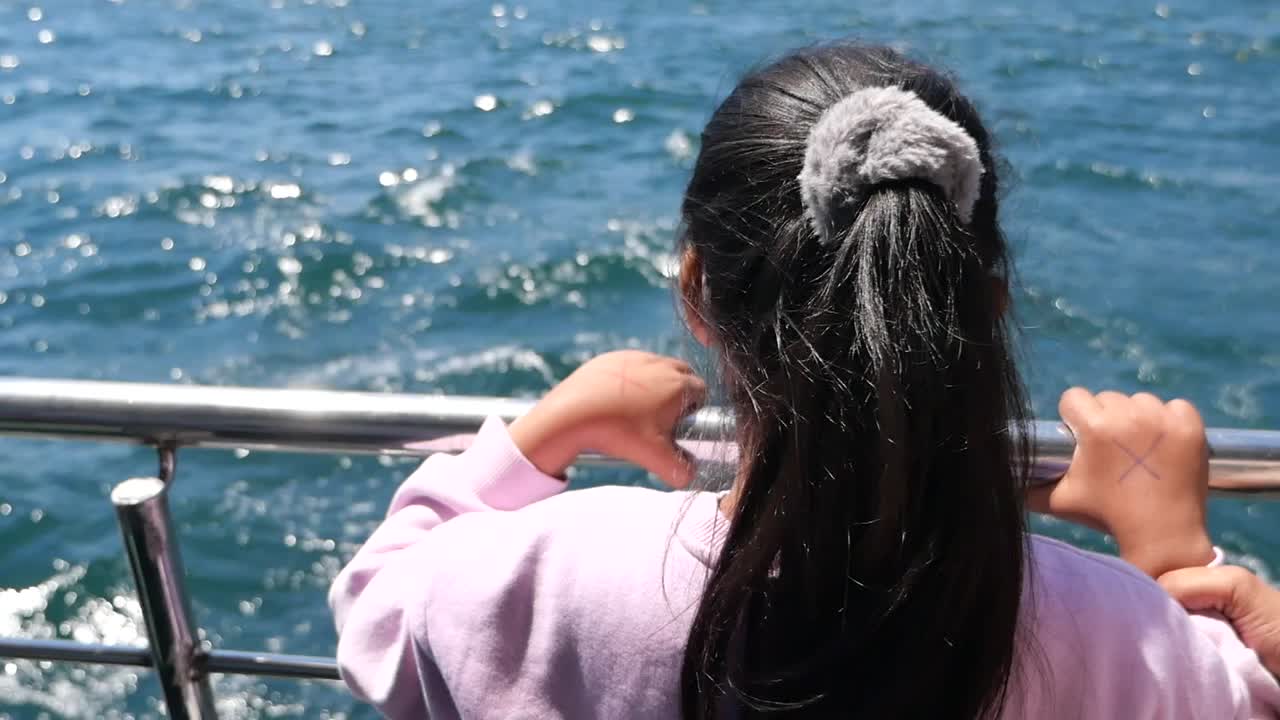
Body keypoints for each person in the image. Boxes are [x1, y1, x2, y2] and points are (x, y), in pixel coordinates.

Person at [329, 43, 1280, 718]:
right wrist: (1175, 566)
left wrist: (542, 436)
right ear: (984, 305)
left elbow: (378, 606)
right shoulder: (1126, 640)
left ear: (699, 291)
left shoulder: (545, 576)